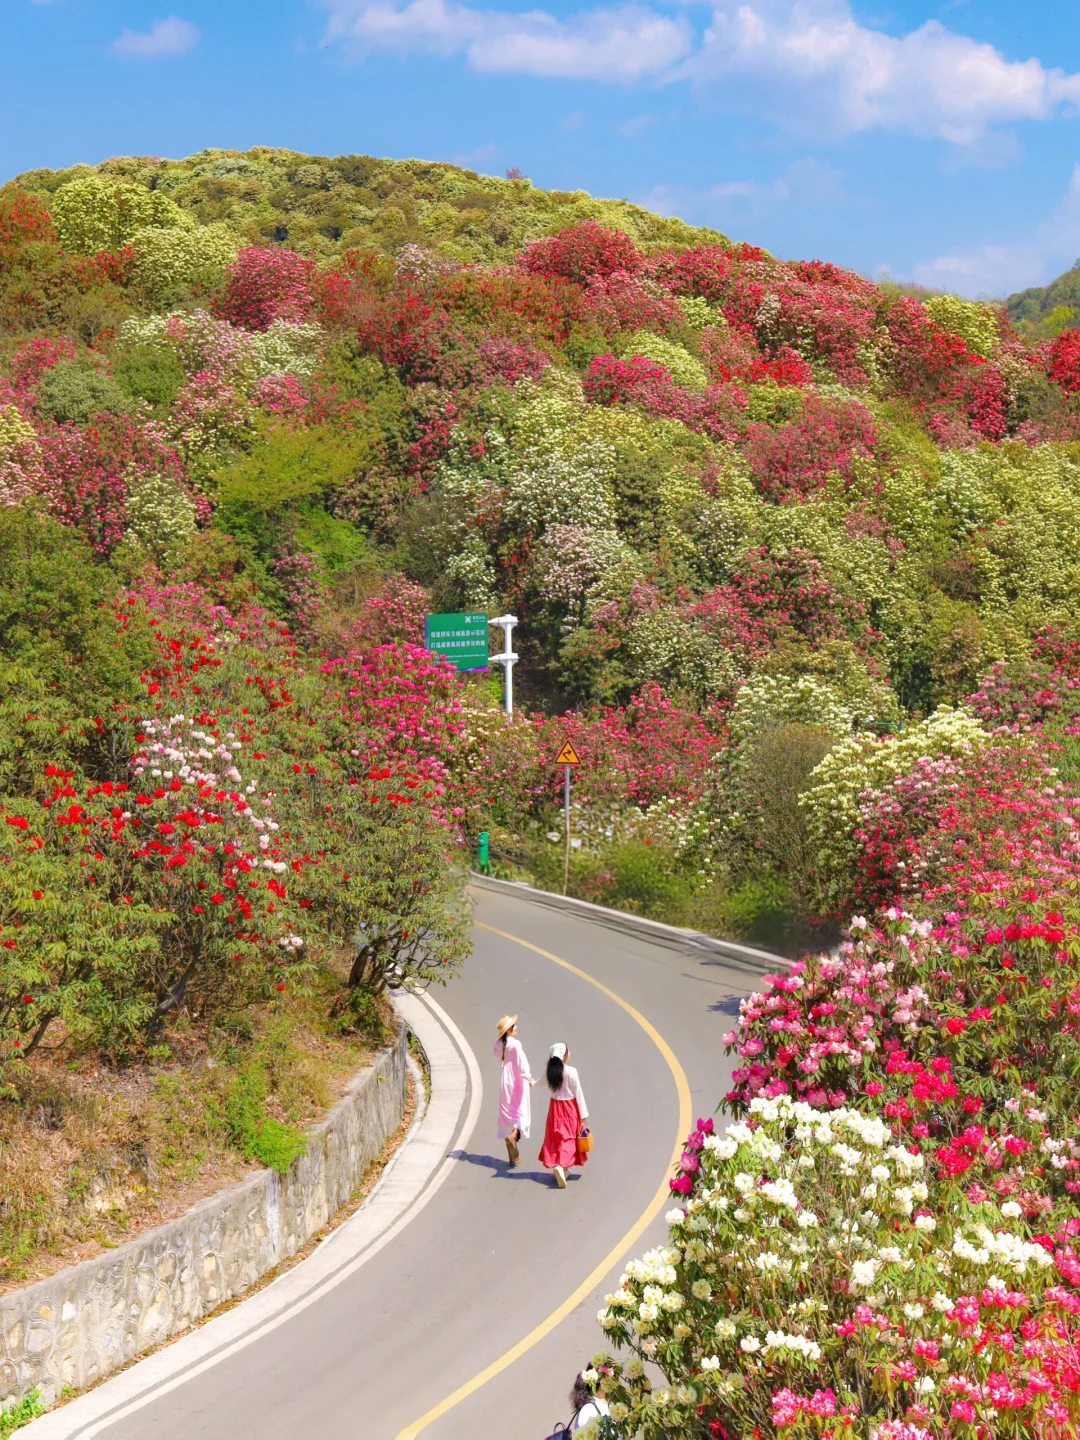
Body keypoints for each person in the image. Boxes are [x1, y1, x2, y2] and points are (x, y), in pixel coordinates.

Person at [539, 1042, 589, 1189]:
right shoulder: (572, 1071)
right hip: (569, 1108)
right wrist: (583, 1115)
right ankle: (561, 1166)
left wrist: (529, 1082)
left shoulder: (551, 1071)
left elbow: (538, 1083)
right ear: (565, 1055)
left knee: (556, 1137)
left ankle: (563, 1169)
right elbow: (578, 1094)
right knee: (568, 1138)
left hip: (555, 1108)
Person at [494, 1014, 534, 1166]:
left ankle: (512, 1156)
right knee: (520, 1110)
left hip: (505, 1077)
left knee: (508, 1112)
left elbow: (499, 1057)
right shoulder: (516, 1044)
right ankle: (514, 1134)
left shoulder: (499, 1044)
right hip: (517, 1079)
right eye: (513, 1026)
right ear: (509, 1030)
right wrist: (528, 1077)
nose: (516, 1027)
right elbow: (521, 1062)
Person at [568, 1367, 611, 1433]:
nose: (612, 1375)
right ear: (597, 1379)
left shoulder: (614, 1404)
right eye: (609, 1372)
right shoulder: (589, 1409)